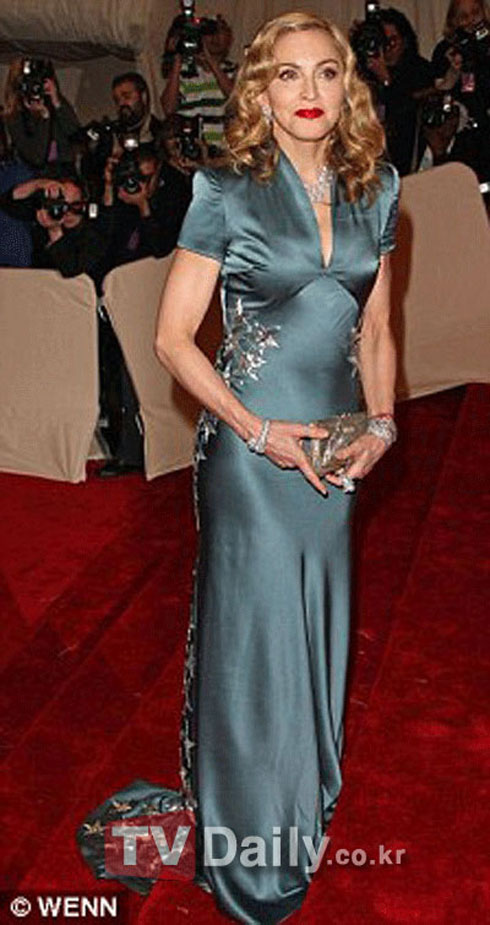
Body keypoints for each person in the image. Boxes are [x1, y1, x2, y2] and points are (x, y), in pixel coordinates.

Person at [77, 11, 400, 922]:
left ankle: (300, 798)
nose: (309, 91)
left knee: (318, 619)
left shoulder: (378, 186)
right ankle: (248, 837)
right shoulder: (223, 189)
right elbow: (172, 339)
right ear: (259, 91)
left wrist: (382, 424)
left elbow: (378, 325)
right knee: (258, 641)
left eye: (326, 72)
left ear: (347, 87)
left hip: (335, 448)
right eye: (287, 74)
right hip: (252, 454)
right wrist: (258, 432)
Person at [351, 8, 434, 175]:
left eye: (392, 41)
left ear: (405, 41)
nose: (386, 48)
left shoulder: (420, 71)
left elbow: (407, 114)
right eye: (381, 42)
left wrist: (386, 79)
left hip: (411, 165)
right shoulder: (362, 75)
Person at [0, 172, 108, 277]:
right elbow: (7, 202)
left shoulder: (94, 233)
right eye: (60, 204)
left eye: (75, 205)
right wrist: (38, 184)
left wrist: (54, 231)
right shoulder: (45, 215)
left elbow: (70, 269)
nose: (67, 211)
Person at [161, 13, 237, 152]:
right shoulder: (183, 72)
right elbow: (169, 109)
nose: (214, 37)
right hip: (191, 148)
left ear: (230, 37)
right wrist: (178, 57)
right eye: (209, 33)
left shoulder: (233, 71)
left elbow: (236, 99)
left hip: (223, 150)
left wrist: (211, 61)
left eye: (220, 31)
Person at [3, 57, 80, 169]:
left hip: (63, 170)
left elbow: (75, 135)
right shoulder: (15, 116)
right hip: (34, 174)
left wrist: (57, 102)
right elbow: (36, 157)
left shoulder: (54, 103)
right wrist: (44, 117)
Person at [432, 0, 490, 131]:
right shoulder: (445, 49)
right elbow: (439, 89)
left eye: (475, 12)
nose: (471, 20)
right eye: (464, 16)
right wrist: (454, 70)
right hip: (462, 124)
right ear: (454, 20)